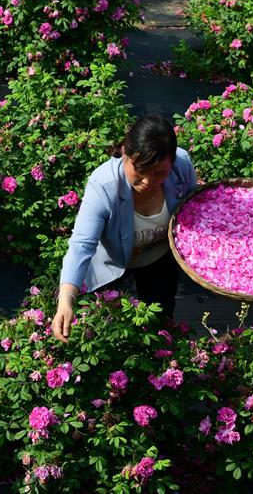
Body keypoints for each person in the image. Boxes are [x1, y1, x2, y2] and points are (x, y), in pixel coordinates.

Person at [51, 114, 197, 342]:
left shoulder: (182, 166)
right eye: (141, 170)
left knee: (159, 319)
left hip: (160, 257)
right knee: (102, 324)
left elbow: (193, 208)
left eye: (159, 172)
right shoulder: (104, 185)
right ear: (125, 154)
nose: (148, 181)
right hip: (113, 258)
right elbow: (81, 245)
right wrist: (66, 298)